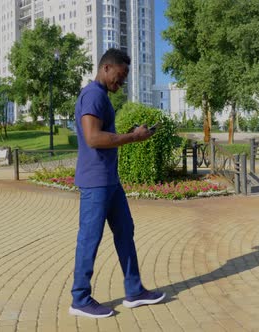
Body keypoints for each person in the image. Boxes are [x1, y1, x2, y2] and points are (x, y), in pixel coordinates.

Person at [69, 48, 166, 318]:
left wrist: (131, 135)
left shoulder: (100, 96)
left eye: (124, 78)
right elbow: (93, 138)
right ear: (106, 68)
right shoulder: (93, 95)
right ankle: (80, 299)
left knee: (125, 231)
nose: (121, 83)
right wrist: (133, 138)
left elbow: (103, 136)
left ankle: (134, 291)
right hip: (95, 182)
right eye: (120, 77)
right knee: (89, 238)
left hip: (110, 181)